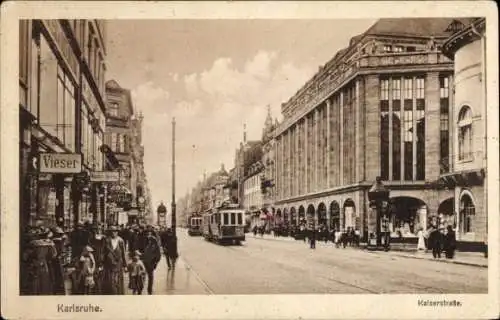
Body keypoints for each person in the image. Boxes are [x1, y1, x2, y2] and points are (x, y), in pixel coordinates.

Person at [102, 225, 127, 295]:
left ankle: (118, 294)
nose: (113, 233)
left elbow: (123, 254)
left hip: (118, 263)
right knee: (110, 280)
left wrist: (125, 265)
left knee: (118, 280)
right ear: (109, 232)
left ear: (117, 232)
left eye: (115, 231)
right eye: (112, 232)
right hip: (109, 264)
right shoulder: (106, 240)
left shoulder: (121, 240)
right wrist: (101, 263)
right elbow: (103, 252)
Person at [141, 229, 161, 295]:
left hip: (151, 262)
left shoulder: (154, 242)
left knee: (150, 276)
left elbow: (158, 254)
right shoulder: (144, 241)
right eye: (147, 234)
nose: (148, 236)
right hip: (144, 261)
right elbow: (140, 249)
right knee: (142, 275)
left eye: (150, 234)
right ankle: (140, 288)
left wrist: (155, 262)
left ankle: (149, 289)